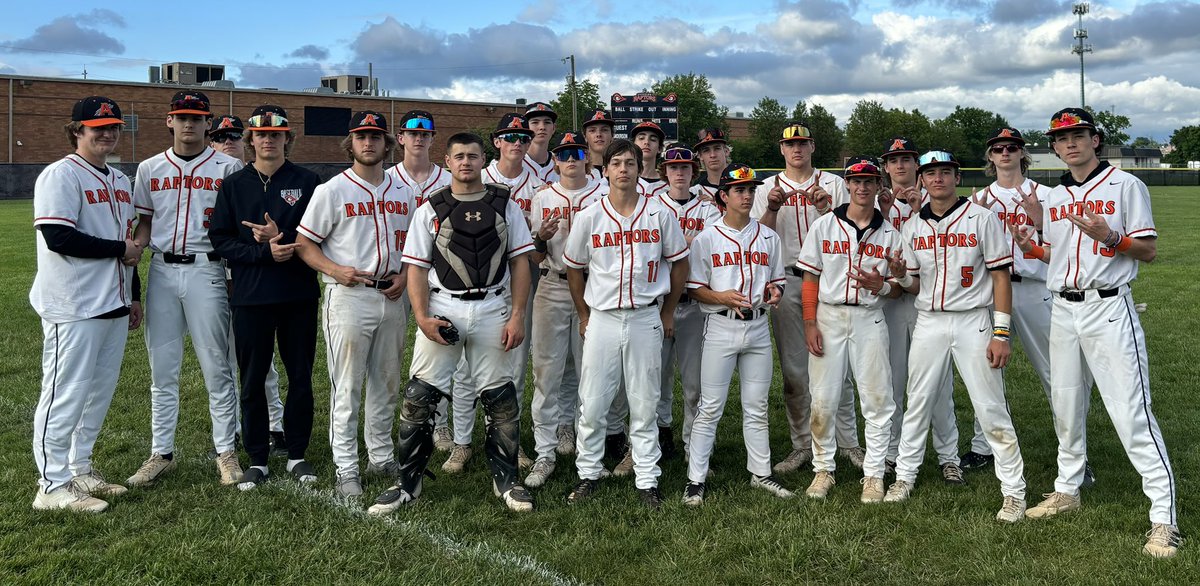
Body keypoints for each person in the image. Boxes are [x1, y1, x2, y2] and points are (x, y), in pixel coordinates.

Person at [1014, 108, 1178, 558]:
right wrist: (1031, 245)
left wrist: (1111, 237)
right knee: (1065, 403)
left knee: (1131, 412)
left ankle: (1164, 518)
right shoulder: (1052, 197)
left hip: (1109, 307)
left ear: (1095, 140)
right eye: (1061, 137)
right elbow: (1057, 257)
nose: (1070, 143)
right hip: (1063, 311)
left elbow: (1147, 252)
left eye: (1078, 135)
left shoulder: (1127, 185)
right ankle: (1067, 489)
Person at [368, 132, 536, 514]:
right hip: (445, 307)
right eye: (459, 156)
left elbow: (520, 262)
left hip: (493, 306)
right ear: (447, 161)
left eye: (473, 156)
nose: (466, 163)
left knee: (501, 398)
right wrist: (423, 317)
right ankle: (408, 481)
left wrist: (517, 314)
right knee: (418, 398)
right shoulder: (431, 208)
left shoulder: (504, 205)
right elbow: (415, 268)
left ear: (483, 159)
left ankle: (507, 479)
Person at [883, 149, 1027, 523]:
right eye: (930, 174)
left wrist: (1001, 332)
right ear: (922, 180)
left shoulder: (982, 218)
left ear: (956, 178)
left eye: (945, 172)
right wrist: (899, 274)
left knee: (990, 405)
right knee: (918, 402)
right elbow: (913, 285)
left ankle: (1013, 492)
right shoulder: (911, 227)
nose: (937, 179)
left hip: (973, 321)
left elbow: (1000, 277)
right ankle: (905, 477)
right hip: (929, 320)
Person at [562, 139, 690, 509]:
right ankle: (588, 473)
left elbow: (679, 264)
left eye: (629, 163)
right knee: (593, 401)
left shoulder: (659, 214)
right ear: (605, 171)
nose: (623, 169)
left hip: (646, 315)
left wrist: (667, 312)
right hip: (602, 317)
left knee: (645, 401)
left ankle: (647, 478)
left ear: (639, 168)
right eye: (616, 163)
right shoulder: (590, 215)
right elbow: (574, 268)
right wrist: (584, 316)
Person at [963, 127, 1095, 486]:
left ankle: (1075, 454)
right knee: (987, 372)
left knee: (1059, 375)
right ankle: (982, 446)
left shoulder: (1050, 196)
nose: (1005, 153)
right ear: (990, 157)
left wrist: (1040, 223)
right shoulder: (977, 201)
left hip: (1037, 288)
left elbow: (1068, 247)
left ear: (1023, 154)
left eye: (1012, 148)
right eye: (998, 148)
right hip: (993, 291)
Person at [295, 111, 414, 498]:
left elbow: (415, 247)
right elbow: (305, 243)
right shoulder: (332, 190)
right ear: (351, 142)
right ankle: (347, 467)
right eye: (361, 136)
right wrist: (333, 268)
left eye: (376, 136)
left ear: (387, 144)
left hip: (391, 295)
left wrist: (405, 277)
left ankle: (379, 456)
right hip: (348, 296)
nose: (368, 143)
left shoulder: (403, 192)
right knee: (346, 387)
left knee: (387, 382)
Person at [30, 96, 140, 512]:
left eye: (114, 127)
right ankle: (51, 485)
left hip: (111, 301)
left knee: (98, 392)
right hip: (73, 305)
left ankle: (79, 468)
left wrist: (133, 296)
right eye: (98, 128)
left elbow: (129, 247)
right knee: (65, 393)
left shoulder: (119, 179)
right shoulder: (60, 175)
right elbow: (59, 237)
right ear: (77, 131)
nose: (108, 133)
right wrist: (120, 249)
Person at [127, 91, 243, 487]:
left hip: (207, 269)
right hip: (161, 268)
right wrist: (136, 250)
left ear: (209, 123)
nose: (189, 123)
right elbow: (144, 222)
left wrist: (231, 276)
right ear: (169, 121)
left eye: (196, 117)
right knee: (163, 368)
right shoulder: (149, 167)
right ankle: (161, 452)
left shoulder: (229, 166)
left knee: (218, 367)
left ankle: (226, 450)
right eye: (182, 116)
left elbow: (234, 228)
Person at [209, 105, 322, 490]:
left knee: (300, 376)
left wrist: (284, 240)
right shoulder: (234, 185)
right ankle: (257, 458)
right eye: (261, 134)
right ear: (251, 140)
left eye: (276, 134)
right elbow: (220, 240)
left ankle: (297, 454)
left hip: (298, 294)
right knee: (252, 379)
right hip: (251, 296)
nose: (269, 140)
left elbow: (322, 235)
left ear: (287, 138)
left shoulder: (309, 182)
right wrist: (262, 251)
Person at [753, 121, 864, 474]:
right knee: (794, 371)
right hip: (786, 278)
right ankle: (803, 444)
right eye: (790, 145)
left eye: (802, 143)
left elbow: (852, 232)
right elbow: (758, 239)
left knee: (838, 366)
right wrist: (771, 208)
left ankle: (848, 443)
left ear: (812, 147)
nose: (796, 149)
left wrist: (824, 209)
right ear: (781, 150)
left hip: (830, 280)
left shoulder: (833, 183)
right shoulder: (765, 188)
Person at [682, 162, 791, 506]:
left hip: (758, 326)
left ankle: (761, 473)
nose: (746, 196)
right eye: (739, 190)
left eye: (750, 190)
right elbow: (694, 287)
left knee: (757, 405)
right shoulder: (707, 238)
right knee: (710, 406)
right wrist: (721, 296)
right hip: (721, 325)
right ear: (723, 197)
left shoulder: (769, 236)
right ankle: (695, 479)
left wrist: (776, 291)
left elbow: (777, 280)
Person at [796, 158, 901, 502]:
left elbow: (900, 287)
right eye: (856, 181)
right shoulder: (825, 225)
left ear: (878, 186)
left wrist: (883, 284)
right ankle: (823, 468)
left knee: (877, 398)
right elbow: (810, 276)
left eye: (869, 181)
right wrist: (810, 322)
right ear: (847, 185)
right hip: (829, 316)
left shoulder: (891, 234)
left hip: (869, 318)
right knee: (823, 397)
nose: (862, 187)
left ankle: (873, 474)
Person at [878, 137, 963, 484]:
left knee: (939, 383)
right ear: (886, 167)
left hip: (931, 301)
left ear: (918, 166)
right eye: (893, 160)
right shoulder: (876, 199)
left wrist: (915, 210)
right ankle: (892, 454)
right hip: (892, 301)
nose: (900, 165)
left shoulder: (936, 198)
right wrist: (884, 214)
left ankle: (948, 456)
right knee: (894, 379)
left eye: (906, 159)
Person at [524, 131, 605, 488]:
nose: (570, 159)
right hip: (552, 285)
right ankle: (545, 452)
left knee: (590, 372)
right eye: (563, 153)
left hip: (595, 290)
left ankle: (585, 447)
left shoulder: (603, 195)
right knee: (547, 371)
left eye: (576, 152)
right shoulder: (542, 197)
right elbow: (534, 254)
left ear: (587, 157)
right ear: (555, 161)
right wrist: (540, 235)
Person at [210, 114, 288, 457]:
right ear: (212, 142)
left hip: (252, 276)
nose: (228, 140)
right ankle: (236, 428)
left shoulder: (256, 176)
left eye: (234, 135)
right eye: (221, 136)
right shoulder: (218, 173)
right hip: (214, 273)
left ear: (246, 141)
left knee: (261, 360)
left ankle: (274, 424)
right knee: (226, 359)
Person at [385, 110, 456, 451]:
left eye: (425, 132)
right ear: (400, 137)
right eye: (411, 132)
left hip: (443, 278)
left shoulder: (448, 179)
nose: (417, 137)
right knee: (395, 354)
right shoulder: (386, 180)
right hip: (398, 277)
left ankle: (440, 423)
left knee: (444, 349)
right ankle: (397, 421)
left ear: (432, 138)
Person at [646, 143, 721, 463]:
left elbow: (714, 249)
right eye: (674, 167)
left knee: (694, 383)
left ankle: (694, 446)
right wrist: (687, 241)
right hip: (658, 303)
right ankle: (660, 438)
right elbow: (652, 248)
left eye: (685, 167)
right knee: (655, 380)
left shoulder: (709, 209)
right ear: (664, 171)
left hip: (695, 304)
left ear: (694, 172)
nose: (679, 172)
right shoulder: (651, 206)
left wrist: (678, 241)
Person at [522, 101, 559, 183]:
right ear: (526, 128)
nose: (542, 127)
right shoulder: (514, 162)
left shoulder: (562, 162)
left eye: (547, 122)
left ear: (554, 128)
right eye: (535, 122)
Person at [690, 128, 729, 201]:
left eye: (717, 148)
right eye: (706, 150)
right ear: (700, 156)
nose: (712, 155)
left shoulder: (744, 186)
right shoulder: (693, 193)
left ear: (726, 151)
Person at [632, 121, 666, 195]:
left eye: (653, 139)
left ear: (659, 148)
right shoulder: (623, 178)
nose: (646, 142)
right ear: (633, 145)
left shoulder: (669, 184)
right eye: (641, 138)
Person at [581, 109, 615, 183]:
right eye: (592, 130)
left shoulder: (621, 169)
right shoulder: (577, 170)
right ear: (585, 136)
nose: (598, 134)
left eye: (604, 130)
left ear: (612, 135)